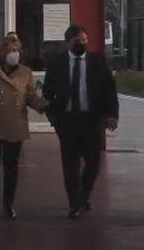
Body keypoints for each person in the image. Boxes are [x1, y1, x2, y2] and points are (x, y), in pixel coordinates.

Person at [41, 24, 119, 219]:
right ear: (68, 43)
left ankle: (83, 194)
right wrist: (52, 115)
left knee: (93, 162)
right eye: (77, 41)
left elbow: (110, 90)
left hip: (92, 120)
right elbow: (47, 92)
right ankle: (75, 203)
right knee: (70, 164)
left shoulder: (98, 62)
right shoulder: (57, 63)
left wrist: (112, 115)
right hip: (67, 121)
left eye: (85, 41)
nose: (82, 44)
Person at [0, 34, 46, 218]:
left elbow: (30, 96)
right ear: (1, 53)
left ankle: (8, 203)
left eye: (17, 51)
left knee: (11, 166)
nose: (15, 54)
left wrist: (43, 106)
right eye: (11, 51)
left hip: (15, 124)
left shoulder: (25, 72)